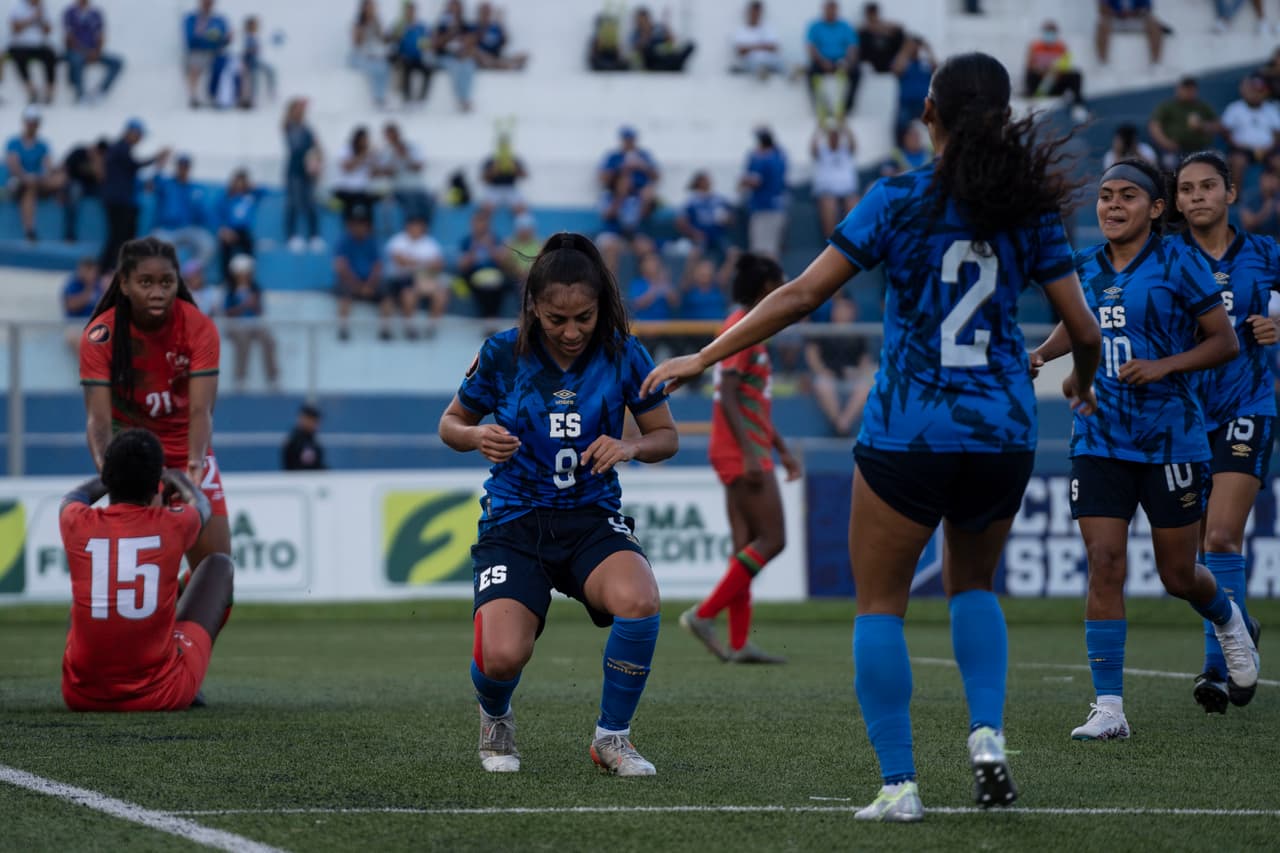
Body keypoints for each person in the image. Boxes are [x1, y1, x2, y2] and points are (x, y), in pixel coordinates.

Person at [641, 52, 1103, 820]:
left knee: (880, 604)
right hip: (1002, 432)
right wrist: (1080, 376)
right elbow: (1082, 327)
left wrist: (702, 354)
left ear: (930, 116)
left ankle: (900, 786)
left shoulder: (896, 199)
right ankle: (987, 737)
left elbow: (799, 296)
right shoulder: (1030, 213)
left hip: (908, 433)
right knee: (975, 586)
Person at [1030, 156, 1258, 741]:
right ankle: (1109, 708)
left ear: (1157, 209)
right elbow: (1081, 325)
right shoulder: (1084, 266)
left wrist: (1164, 366)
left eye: (1127, 196)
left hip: (1171, 439)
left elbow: (1224, 342)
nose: (1112, 206)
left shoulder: (1180, 262)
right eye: (1105, 196)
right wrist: (1041, 355)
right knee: (1104, 563)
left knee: (1179, 574)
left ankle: (1230, 621)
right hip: (1099, 436)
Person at [437, 231, 678, 776]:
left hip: (591, 517)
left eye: (584, 318)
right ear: (534, 309)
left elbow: (666, 435)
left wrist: (630, 445)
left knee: (640, 600)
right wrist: (476, 437)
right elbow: (450, 424)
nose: (571, 332)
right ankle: (495, 716)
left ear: (602, 308)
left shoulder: (624, 353)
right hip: (515, 522)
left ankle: (612, 738)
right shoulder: (501, 353)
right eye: (556, 319)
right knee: (501, 658)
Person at [1172, 151, 1277, 713]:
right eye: (1186, 189)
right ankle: (1241, 625)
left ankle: (1218, 669)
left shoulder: (1266, 254)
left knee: (1219, 539)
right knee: (1183, 561)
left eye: (1207, 186)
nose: (1197, 197)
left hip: (1248, 404)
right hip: (1183, 414)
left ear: (1231, 193)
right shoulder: (1166, 258)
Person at [81, 236, 232, 588]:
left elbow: (201, 410)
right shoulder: (100, 336)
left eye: (167, 282)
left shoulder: (199, 327)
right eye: (145, 282)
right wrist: (111, 474)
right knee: (141, 582)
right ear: (124, 284)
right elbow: (98, 420)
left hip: (188, 451)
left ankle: (177, 642)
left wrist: (195, 464)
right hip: (133, 460)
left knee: (217, 576)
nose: (158, 291)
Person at [680, 253, 801, 664]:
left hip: (745, 444)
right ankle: (703, 614)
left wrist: (780, 448)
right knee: (774, 539)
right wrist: (753, 453)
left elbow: (750, 400)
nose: (783, 287)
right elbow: (728, 393)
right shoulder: (741, 326)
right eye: (778, 281)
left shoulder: (751, 328)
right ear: (764, 286)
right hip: (740, 449)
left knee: (745, 546)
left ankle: (737, 644)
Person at [60, 428, 234, 711]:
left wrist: (112, 477)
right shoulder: (175, 524)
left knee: (86, 594)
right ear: (157, 486)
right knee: (219, 565)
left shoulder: (74, 521)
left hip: (81, 695)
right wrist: (174, 475)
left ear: (108, 477)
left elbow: (76, 494)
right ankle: (180, 666)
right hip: (160, 694)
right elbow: (201, 503)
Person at [99, 119, 170, 273]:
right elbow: (134, 165)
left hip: (121, 200)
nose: (140, 139)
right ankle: (106, 268)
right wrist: (155, 158)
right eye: (139, 135)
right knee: (118, 237)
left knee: (122, 236)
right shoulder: (121, 148)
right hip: (119, 201)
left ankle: (112, 267)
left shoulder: (120, 149)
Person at [805, 294, 874, 435]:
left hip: (851, 377)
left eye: (845, 308)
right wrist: (821, 370)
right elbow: (812, 353)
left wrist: (859, 372)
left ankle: (844, 423)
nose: (841, 311)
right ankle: (838, 422)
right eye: (838, 308)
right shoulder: (823, 330)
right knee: (822, 384)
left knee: (867, 384)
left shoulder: (859, 333)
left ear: (853, 311)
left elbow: (865, 361)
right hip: (828, 376)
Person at [6, 105, 64, 242]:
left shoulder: (43, 145)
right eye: (30, 122)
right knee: (30, 188)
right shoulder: (13, 142)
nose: (32, 126)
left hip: (36, 181)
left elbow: (48, 165)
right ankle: (29, 230)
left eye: (35, 123)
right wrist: (26, 177)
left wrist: (51, 175)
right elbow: (14, 166)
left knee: (60, 179)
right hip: (18, 182)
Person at [333, 208, 393, 341]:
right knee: (344, 297)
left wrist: (369, 285)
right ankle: (343, 329)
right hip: (350, 282)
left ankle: (385, 330)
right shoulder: (343, 241)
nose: (359, 227)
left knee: (387, 297)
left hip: (369, 282)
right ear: (350, 225)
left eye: (362, 224)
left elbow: (378, 266)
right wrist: (357, 285)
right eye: (356, 223)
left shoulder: (372, 242)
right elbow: (341, 267)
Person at [385, 213, 447, 337]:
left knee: (441, 294)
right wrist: (425, 263)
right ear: (408, 226)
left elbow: (439, 264)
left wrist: (415, 263)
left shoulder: (430, 243)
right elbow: (400, 261)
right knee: (408, 294)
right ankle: (409, 328)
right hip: (401, 280)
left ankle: (432, 327)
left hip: (425, 279)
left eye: (419, 226)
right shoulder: (398, 240)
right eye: (414, 226)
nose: (417, 229)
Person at [151, 154, 215, 271]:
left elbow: (204, 214)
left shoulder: (195, 189)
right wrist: (160, 163)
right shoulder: (166, 184)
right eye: (181, 166)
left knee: (207, 244)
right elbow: (154, 181)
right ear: (176, 167)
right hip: (167, 229)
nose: (183, 169)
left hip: (189, 228)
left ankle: (190, 271)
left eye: (185, 167)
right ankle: (168, 274)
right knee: (155, 247)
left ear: (189, 169)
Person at [223, 254, 278, 390]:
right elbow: (227, 313)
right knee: (243, 340)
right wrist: (243, 306)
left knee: (268, 340)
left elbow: (260, 311)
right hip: (235, 326)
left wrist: (254, 304)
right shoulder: (229, 290)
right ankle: (240, 378)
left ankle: (273, 378)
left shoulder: (256, 289)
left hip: (254, 324)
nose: (245, 275)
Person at [806, 0, 861, 124]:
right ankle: (821, 107)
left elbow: (853, 47)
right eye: (828, 9)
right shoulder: (815, 26)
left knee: (856, 72)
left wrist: (848, 62)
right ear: (824, 10)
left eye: (833, 9)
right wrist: (822, 62)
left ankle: (847, 108)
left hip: (841, 61)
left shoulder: (845, 26)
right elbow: (811, 47)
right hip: (822, 61)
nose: (831, 12)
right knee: (811, 73)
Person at [1148, 76, 1219, 170]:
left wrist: (1203, 126)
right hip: (1175, 150)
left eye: (1191, 89)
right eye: (1185, 89)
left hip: (1201, 148)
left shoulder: (1202, 106)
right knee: (1169, 163)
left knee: (1219, 160)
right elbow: (1154, 126)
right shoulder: (1168, 106)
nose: (1188, 92)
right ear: (1179, 89)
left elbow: (1218, 126)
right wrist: (1166, 143)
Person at [1221, 75, 1280, 187]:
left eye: (1260, 91)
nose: (1256, 94)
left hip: (1268, 150)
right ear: (1246, 91)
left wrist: (1269, 148)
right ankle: (1236, 199)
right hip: (1242, 149)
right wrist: (1237, 145)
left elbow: (1277, 134)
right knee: (1238, 162)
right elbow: (1225, 132)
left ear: (1265, 93)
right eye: (1253, 91)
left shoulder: (1271, 109)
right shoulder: (1235, 108)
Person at [282, 98, 324, 253]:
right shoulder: (290, 126)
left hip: (308, 171)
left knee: (311, 204)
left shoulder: (307, 128)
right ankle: (291, 235)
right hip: (295, 170)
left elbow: (316, 146)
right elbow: (296, 146)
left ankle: (314, 236)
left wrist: (317, 162)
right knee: (293, 203)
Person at [62, 0, 124, 103]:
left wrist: (97, 51)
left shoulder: (96, 13)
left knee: (117, 62)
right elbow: (69, 38)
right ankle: (80, 95)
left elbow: (100, 35)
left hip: (94, 52)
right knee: (77, 60)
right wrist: (84, 52)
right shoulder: (70, 13)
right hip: (76, 51)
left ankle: (101, 92)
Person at [740, 127, 787, 260]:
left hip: (764, 208)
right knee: (771, 248)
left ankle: (770, 280)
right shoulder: (779, 156)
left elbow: (754, 181)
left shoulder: (763, 159)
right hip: (778, 206)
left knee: (762, 250)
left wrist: (743, 180)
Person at [458, 207, 512, 320]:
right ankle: (486, 318)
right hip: (474, 273)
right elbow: (462, 266)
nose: (480, 226)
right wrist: (472, 251)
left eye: (483, 222)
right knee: (481, 287)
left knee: (499, 286)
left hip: (494, 272)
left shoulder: (495, 239)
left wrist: (490, 247)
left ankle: (492, 318)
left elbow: (502, 261)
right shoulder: (467, 241)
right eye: (477, 222)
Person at [1023, 20, 1085, 114]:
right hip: (1040, 82)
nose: (1049, 35)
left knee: (1076, 74)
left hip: (1056, 82)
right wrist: (1042, 71)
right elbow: (1029, 66)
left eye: (1052, 32)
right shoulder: (1035, 47)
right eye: (1047, 32)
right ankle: (1032, 98)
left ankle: (1077, 104)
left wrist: (1055, 73)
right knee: (1030, 74)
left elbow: (1065, 66)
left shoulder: (1061, 47)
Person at [811, 121, 860, 239]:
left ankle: (853, 240)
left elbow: (853, 143)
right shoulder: (822, 151)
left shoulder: (845, 150)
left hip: (848, 191)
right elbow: (813, 148)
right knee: (829, 203)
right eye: (831, 136)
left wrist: (845, 127)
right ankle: (831, 241)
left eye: (836, 135)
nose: (834, 138)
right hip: (828, 192)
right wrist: (819, 131)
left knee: (854, 204)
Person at [183, 0, 231, 109]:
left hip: (215, 53)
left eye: (210, 2)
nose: (208, 4)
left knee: (223, 65)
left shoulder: (219, 20)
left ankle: (216, 96)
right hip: (197, 52)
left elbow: (224, 39)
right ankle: (194, 97)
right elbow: (190, 39)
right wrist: (208, 38)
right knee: (194, 64)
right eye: (205, 2)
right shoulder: (191, 19)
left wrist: (223, 39)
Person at [433, 0, 479, 111]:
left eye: (457, 8)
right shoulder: (442, 24)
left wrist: (464, 50)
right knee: (455, 68)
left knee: (469, 66)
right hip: (445, 57)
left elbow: (471, 42)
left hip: (460, 57)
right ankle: (460, 99)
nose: (455, 10)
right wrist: (450, 33)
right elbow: (435, 43)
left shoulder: (464, 25)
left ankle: (465, 98)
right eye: (453, 7)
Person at [215, 169, 258, 283]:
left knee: (249, 245)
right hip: (229, 230)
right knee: (225, 246)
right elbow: (220, 214)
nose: (239, 184)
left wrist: (253, 186)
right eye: (237, 181)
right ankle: (226, 278)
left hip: (244, 231)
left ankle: (249, 278)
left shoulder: (251, 196)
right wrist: (224, 230)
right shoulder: (227, 197)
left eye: (242, 181)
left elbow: (264, 190)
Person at [10, 0, 57, 104]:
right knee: (19, 57)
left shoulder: (43, 7)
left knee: (51, 55)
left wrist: (41, 18)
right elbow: (15, 28)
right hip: (21, 45)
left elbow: (48, 30)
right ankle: (31, 90)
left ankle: (49, 93)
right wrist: (32, 18)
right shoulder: (17, 6)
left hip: (39, 45)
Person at [61, 136, 106, 242]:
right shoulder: (79, 152)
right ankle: (69, 233)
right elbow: (65, 169)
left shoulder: (102, 159)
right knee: (75, 192)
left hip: (91, 187)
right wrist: (61, 190)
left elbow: (101, 179)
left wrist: (98, 162)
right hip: (74, 184)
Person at [891, 34, 934, 139]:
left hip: (924, 104)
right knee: (900, 125)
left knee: (937, 126)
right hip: (907, 104)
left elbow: (937, 70)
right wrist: (906, 50)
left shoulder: (925, 63)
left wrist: (928, 50)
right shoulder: (905, 62)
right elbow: (897, 70)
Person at [1095, 0, 1162, 67]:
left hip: (1136, 19)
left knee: (1154, 24)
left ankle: (1156, 63)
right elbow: (1102, 8)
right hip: (1116, 19)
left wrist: (1134, 13)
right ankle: (1103, 63)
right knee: (1102, 24)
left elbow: (1147, 8)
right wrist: (1117, 13)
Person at [391, 1, 433, 104]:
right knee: (406, 68)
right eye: (408, 11)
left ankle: (422, 99)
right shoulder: (400, 26)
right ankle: (407, 98)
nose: (410, 13)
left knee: (429, 70)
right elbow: (393, 41)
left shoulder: (421, 27)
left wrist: (426, 46)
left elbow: (427, 43)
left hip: (418, 58)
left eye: (412, 11)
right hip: (404, 58)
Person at [629, 6, 695, 72]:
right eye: (640, 20)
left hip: (664, 55)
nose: (643, 22)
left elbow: (671, 41)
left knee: (689, 46)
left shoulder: (658, 28)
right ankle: (671, 66)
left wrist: (667, 30)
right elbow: (635, 50)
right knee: (648, 50)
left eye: (644, 19)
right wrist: (645, 36)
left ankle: (674, 64)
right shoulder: (635, 33)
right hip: (652, 61)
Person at [351, 0, 390, 108]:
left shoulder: (377, 22)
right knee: (376, 69)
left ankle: (380, 97)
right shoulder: (358, 23)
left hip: (374, 54)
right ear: (364, 9)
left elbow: (382, 39)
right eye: (370, 7)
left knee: (384, 68)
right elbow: (357, 43)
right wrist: (362, 30)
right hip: (360, 56)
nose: (372, 10)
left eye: (373, 7)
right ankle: (377, 98)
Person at [731, 0, 784, 78]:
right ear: (749, 12)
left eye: (758, 12)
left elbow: (774, 47)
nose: (756, 15)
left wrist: (751, 47)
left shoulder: (768, 29)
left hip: (770, 61)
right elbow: (741, 51)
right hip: (751, 62)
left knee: (781, 63)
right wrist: (762, 46)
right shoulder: (741, 30)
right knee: (755, 64)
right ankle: (762, 72)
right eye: (754, 12)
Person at [480, 129, 527, 213]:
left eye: (505, 145)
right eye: (502, 145)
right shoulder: (491, 160)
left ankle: (521, 225)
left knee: (521, 209)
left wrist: (515, 169)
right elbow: (483, 178)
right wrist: (493, 171)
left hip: (510, 188)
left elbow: (525, 175)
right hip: (494, 188)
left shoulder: (514, 159)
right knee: (485, 209)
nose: (504, 147)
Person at [61, 255, 101, 355]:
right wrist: (89, 288)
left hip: (95, 324)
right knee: (77, 338)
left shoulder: (100, 285)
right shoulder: (73, 284)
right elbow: (71, 305)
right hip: (76, 324)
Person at [474, 2, 526, 69]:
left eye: (487, 12)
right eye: (483, 12)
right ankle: (502, 65)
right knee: (478, 54)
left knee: (523, 56)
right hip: (481, 57)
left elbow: (505, 42)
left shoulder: (495, 28)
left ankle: (499, 64)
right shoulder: (473, 27)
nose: (485, 14)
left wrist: (500, 22)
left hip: (496, 56)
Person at [238, 14, 275, 108]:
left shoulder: (255, 37)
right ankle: (251, 99)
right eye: (253, 25)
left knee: (270, 71)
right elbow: (243, 52)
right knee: (254, 79)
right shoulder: (245, 37)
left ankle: (270, 92)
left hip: (255, 61)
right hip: (248, 62)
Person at [857, 2, 903, 74]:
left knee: (899, 36)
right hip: (871, 59)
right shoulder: (863, 29)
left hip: (886, 57)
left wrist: (883, 29)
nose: (872, 16)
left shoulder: (886, 26)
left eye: (874, 13)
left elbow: (899, 29)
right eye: (870, 14)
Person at [282, 403, 326, 470]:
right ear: (303, 419)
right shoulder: (295, 442)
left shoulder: (312, 441)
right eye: (314, 420)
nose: (316, 425)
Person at [1241, 168, 1280, 238]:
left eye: (1274, 179)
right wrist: (1264, 212)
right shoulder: (1249, 196)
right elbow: (1248, 223)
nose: (1271, 183)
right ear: (1260, 180)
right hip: (1254, 239)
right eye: (1268, 179)